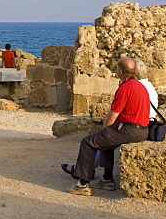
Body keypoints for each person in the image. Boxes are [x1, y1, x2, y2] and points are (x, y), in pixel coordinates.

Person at [61, 56, 150, 196]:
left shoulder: (125, 88)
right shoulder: (139, 86)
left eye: (116, 68)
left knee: (88, 142)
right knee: (106, 142)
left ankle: (83, 184)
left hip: (129, 129)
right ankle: (107, 179)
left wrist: (105, 129)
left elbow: (113, 115)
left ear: (120, 72)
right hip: (143, 130)